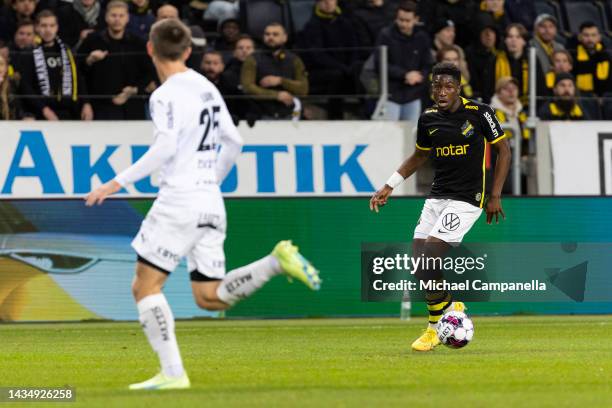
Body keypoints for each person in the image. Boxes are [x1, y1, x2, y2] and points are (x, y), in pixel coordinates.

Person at [84, 18, 321, 390]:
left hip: (179, 199)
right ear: (190, 50)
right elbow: (235, 142)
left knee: (145, 288)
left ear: (150, 49)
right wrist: (211, 179)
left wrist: (115, 183)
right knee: (209, 297)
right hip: (211, 199)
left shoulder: (163, 95)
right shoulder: (205, 85)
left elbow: (163, 149)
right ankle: (275, 263)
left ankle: (173, 374)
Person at [369, 62, 511, 352]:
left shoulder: (481, 113)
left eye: (448, 86)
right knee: (420, 263)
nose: (442, 91)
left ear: (459, 88)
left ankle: (436, 326)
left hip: (468, 197)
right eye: (437, 86)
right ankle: (447, 310)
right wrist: (388, 185)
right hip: (437, 196)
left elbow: (504, 151)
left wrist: (495, 195)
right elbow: (419, 156)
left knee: (432, 253)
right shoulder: (428, 118)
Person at [78, 0, 154, 119]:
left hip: (132, 107)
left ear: (127, 18)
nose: (117, 19)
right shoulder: (92, 41)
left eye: (121, 15)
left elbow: (149, 72)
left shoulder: (138, 43)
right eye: (113, 15)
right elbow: (78, 72)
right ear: (106, 17)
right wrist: (89, 61)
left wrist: (135, 90)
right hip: (98, 107)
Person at [19, 10, 93, 120]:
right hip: (42, 115)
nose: (48, 30)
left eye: (52, 25)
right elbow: (26, 87)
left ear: (57, 27)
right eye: (44, 25)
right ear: (37, 28)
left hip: (70, 113)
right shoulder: (28, 53)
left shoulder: (67, 50)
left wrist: (86, 103)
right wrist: (44, 109)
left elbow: (78, 79)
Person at [297, 0, 360, 119]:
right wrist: (343, 68)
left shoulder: (345, 23)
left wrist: (351, 66)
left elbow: (355, 48)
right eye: (324, 0)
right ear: (317, 3)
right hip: (319, 71)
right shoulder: (311, 26)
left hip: (345, 69)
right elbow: (318, 56)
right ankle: (335, 117)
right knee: (337, 76)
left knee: (360, 70)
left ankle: (368, 112)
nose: (328, 3)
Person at [375, 0, 432, 121]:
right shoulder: (385, 35)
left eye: (407, 21)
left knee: (411, 136)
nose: (403, 24)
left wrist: (420, 76)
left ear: (416, 19)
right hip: (391, 95)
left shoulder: (422, 37)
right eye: (400, 20)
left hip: (414, 94)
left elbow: (428, 64)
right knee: (390, 134)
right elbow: (380, 64)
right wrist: (404, 74)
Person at [241, 23, 308, 120]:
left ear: (284, 37)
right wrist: (276, 95)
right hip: (262, 115)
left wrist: (281, 81)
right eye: (267, 34)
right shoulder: (252, 59)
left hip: (290, 114)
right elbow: (247, 87)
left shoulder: (294, 60)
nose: (270, 37)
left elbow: (303, 89)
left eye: (275, 34)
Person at [489, 76, 529, 193]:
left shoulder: (522, 113)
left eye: (514, 88)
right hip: (498, 158)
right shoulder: (491, 112)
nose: (511, 92)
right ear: (498, 93)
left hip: (520, 157)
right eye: (506, 89)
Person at [530, 14, 564, 103]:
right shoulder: (530, 46)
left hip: (558, 92)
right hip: (537, 92)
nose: (547, 30)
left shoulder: (560, 48)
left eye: (551, 26)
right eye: (543, 26)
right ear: (535, 29)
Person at [493, 23, 529, 106]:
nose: (514, 40)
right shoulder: (495, 60)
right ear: (505, 40)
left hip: (527, 107)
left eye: (518, 37)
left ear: (524, 41)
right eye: (510, 37)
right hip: (499, 107)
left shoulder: (532, 60)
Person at [572, 22, 611, 97]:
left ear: (599, 37)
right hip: (579, 96)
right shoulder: (573, 54)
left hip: (602, 97)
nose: (590, 39)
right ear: (580, 37)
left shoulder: (606, 56)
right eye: (586, 35)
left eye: (593, 35)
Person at [221, 34, 253, 119]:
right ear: (234, 52)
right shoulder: (226, 74)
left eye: (248, 48)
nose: (244, 51)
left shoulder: (261, 70)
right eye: (240, 48)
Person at [466, 23, 497, 102]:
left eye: (491, 32)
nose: (489, 36)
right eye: (485, 32)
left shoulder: (500, 56)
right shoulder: (469, 55)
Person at [0, 53, 25, 119]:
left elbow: (19, 110)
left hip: (12, 125)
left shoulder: (14, 84)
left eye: (1, 64)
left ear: (6, 67)